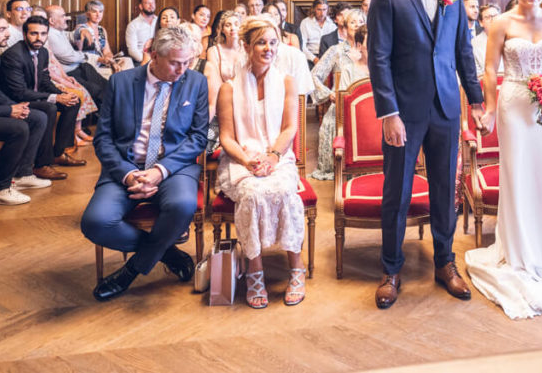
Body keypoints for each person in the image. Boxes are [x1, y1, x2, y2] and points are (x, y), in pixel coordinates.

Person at [367, 0, 484, 309]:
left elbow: (462, 51)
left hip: (446, 107)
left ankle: (445, 262)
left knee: (444, 190)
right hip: (406, 110)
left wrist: (476, 99)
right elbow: (378, 58)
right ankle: (391, 269)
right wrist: (389, 114)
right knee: (396, 192)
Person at [465, 0, 542, 319]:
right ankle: (518, 251)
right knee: (517, 175)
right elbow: (489, 70)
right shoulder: (502, 23)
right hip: (514, 103)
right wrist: (491, 108)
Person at [80, 26, 209, 301]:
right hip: (127, 168)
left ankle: (130, 272)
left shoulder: (196, 82)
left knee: (183, 205)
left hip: (174, 168)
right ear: (153, 55)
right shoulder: (121, 82)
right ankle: (166, 252)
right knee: (95, 222)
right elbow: (102, 139)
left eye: (187, 62)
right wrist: (128, 175)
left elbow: (198, 138)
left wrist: (159, 172)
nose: (182, 69)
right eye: (175, 62)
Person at [216, 16, 306, 308]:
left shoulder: (287, 82)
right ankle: (255, 273)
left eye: (273, 42)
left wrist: (272, 156)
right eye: (261, 43)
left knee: (285, 193)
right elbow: (227, 138)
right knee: (253, 195)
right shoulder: (229, 88)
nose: (268, 48)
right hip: (241, 160)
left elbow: (289, 129)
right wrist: (249, 160)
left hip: (279, 157)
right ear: (246, 46)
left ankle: (297, 269)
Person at [0, 15, 82, 181]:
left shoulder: (42, 52)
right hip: (16, 100)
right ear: (25, 34)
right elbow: (19, 92)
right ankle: (41, 165)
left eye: (43, 34)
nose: (39, 38)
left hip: (36, 96)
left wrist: (62, 95)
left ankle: (58, 153)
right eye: (34, 34)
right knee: (49, 107)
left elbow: (44, 81)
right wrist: (54, 98)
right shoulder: (13, 55)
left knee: (73, 102)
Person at [0, 15, 50, 205]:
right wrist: (8, 111)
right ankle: (0, 188)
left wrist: (14, 107)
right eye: (1, 29)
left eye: (6, 28)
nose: (7, 33)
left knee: (37, 117)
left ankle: (23, 174)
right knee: (19, 128)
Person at [311, 25, 370, 180]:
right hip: (356, 121)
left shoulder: (386, 68)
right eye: (370, 42)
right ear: (358, 46)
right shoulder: (349, 70)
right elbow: (345, 103)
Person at [44, 5, 108, 105]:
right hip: (71, 73)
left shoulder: (58, 31)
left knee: (107, 86)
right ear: (52, 21)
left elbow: (70, 35)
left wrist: (81, 30)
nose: (67, 18)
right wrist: (88, 57)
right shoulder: (50, 35)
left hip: (80, 67)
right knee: (97, 90)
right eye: (63, 16)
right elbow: (70, 58)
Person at [73, 0, 132, 76]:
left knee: (127, 61)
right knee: (120, 73)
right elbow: (79, 54)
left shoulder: (102, 30)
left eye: (100, 11)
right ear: (87, 14)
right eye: (94, 12)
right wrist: (102, 60)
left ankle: (122, 83)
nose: (98, 15)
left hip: (103, 63)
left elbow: (107, 52)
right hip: (89, 66)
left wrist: (111, 61)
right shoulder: (81, 29)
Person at [298, 0, 335, 64]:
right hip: (311, 56)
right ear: (314, 9)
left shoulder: (332, 24)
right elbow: (302, 45)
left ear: (328, 9)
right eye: (319, 10)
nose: (322, 13)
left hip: (327, 56)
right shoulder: (306, 23)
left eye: (324, 10)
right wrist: (314, 59)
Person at [125, 0, 157, 64]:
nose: (151, 5)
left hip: (159, 61)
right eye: (147, 3)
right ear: (141, 6)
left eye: (153, 3)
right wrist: (146, 61)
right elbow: (132, 50)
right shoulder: (133, 25)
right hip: (141, 61)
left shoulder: (160, 21)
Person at [471, 4, 500, 76]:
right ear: (481, 23)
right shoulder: (473, 44)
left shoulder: (509, 39)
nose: (493, 20)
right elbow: (475, 74)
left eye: (496, 16)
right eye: (488, 17)